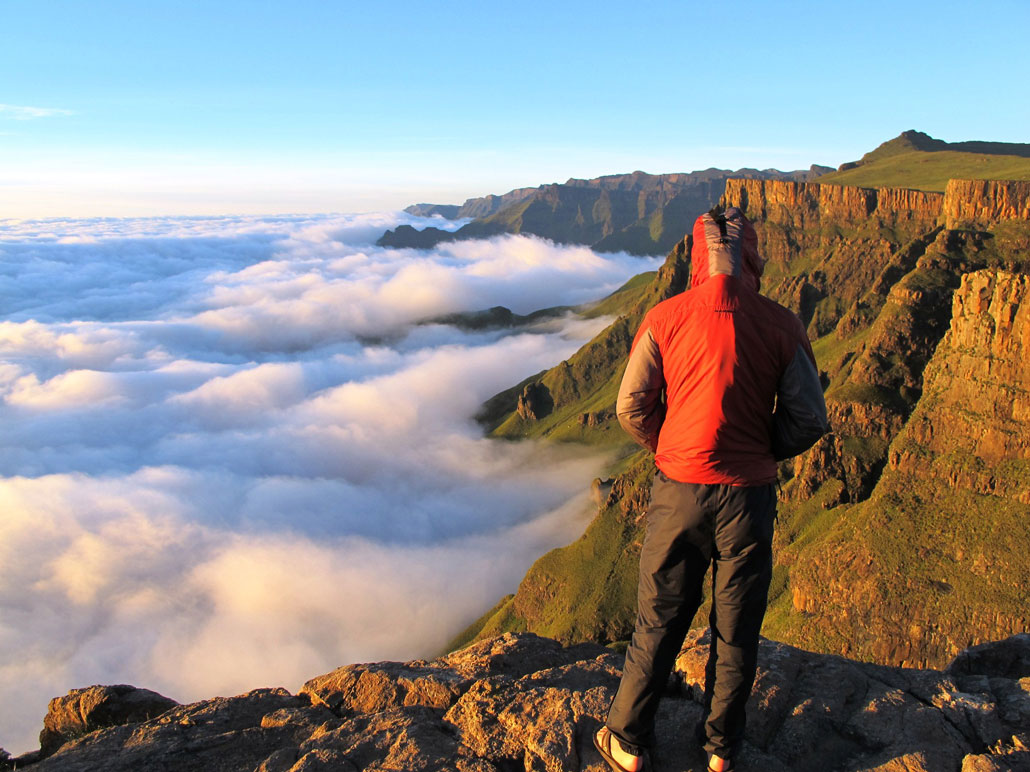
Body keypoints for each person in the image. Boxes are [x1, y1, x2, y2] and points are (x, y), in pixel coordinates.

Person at [592, 206, 829, 772]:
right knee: (736, 624)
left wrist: (667, 445)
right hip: (747, 497)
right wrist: (764, 450)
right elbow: (809, 418)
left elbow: (630, 406)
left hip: (679, 493)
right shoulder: (780, 324)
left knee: (660, 617)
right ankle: (721, 748)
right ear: (752, 258)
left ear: (696, 260)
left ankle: (626, 741)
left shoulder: (665, 317)